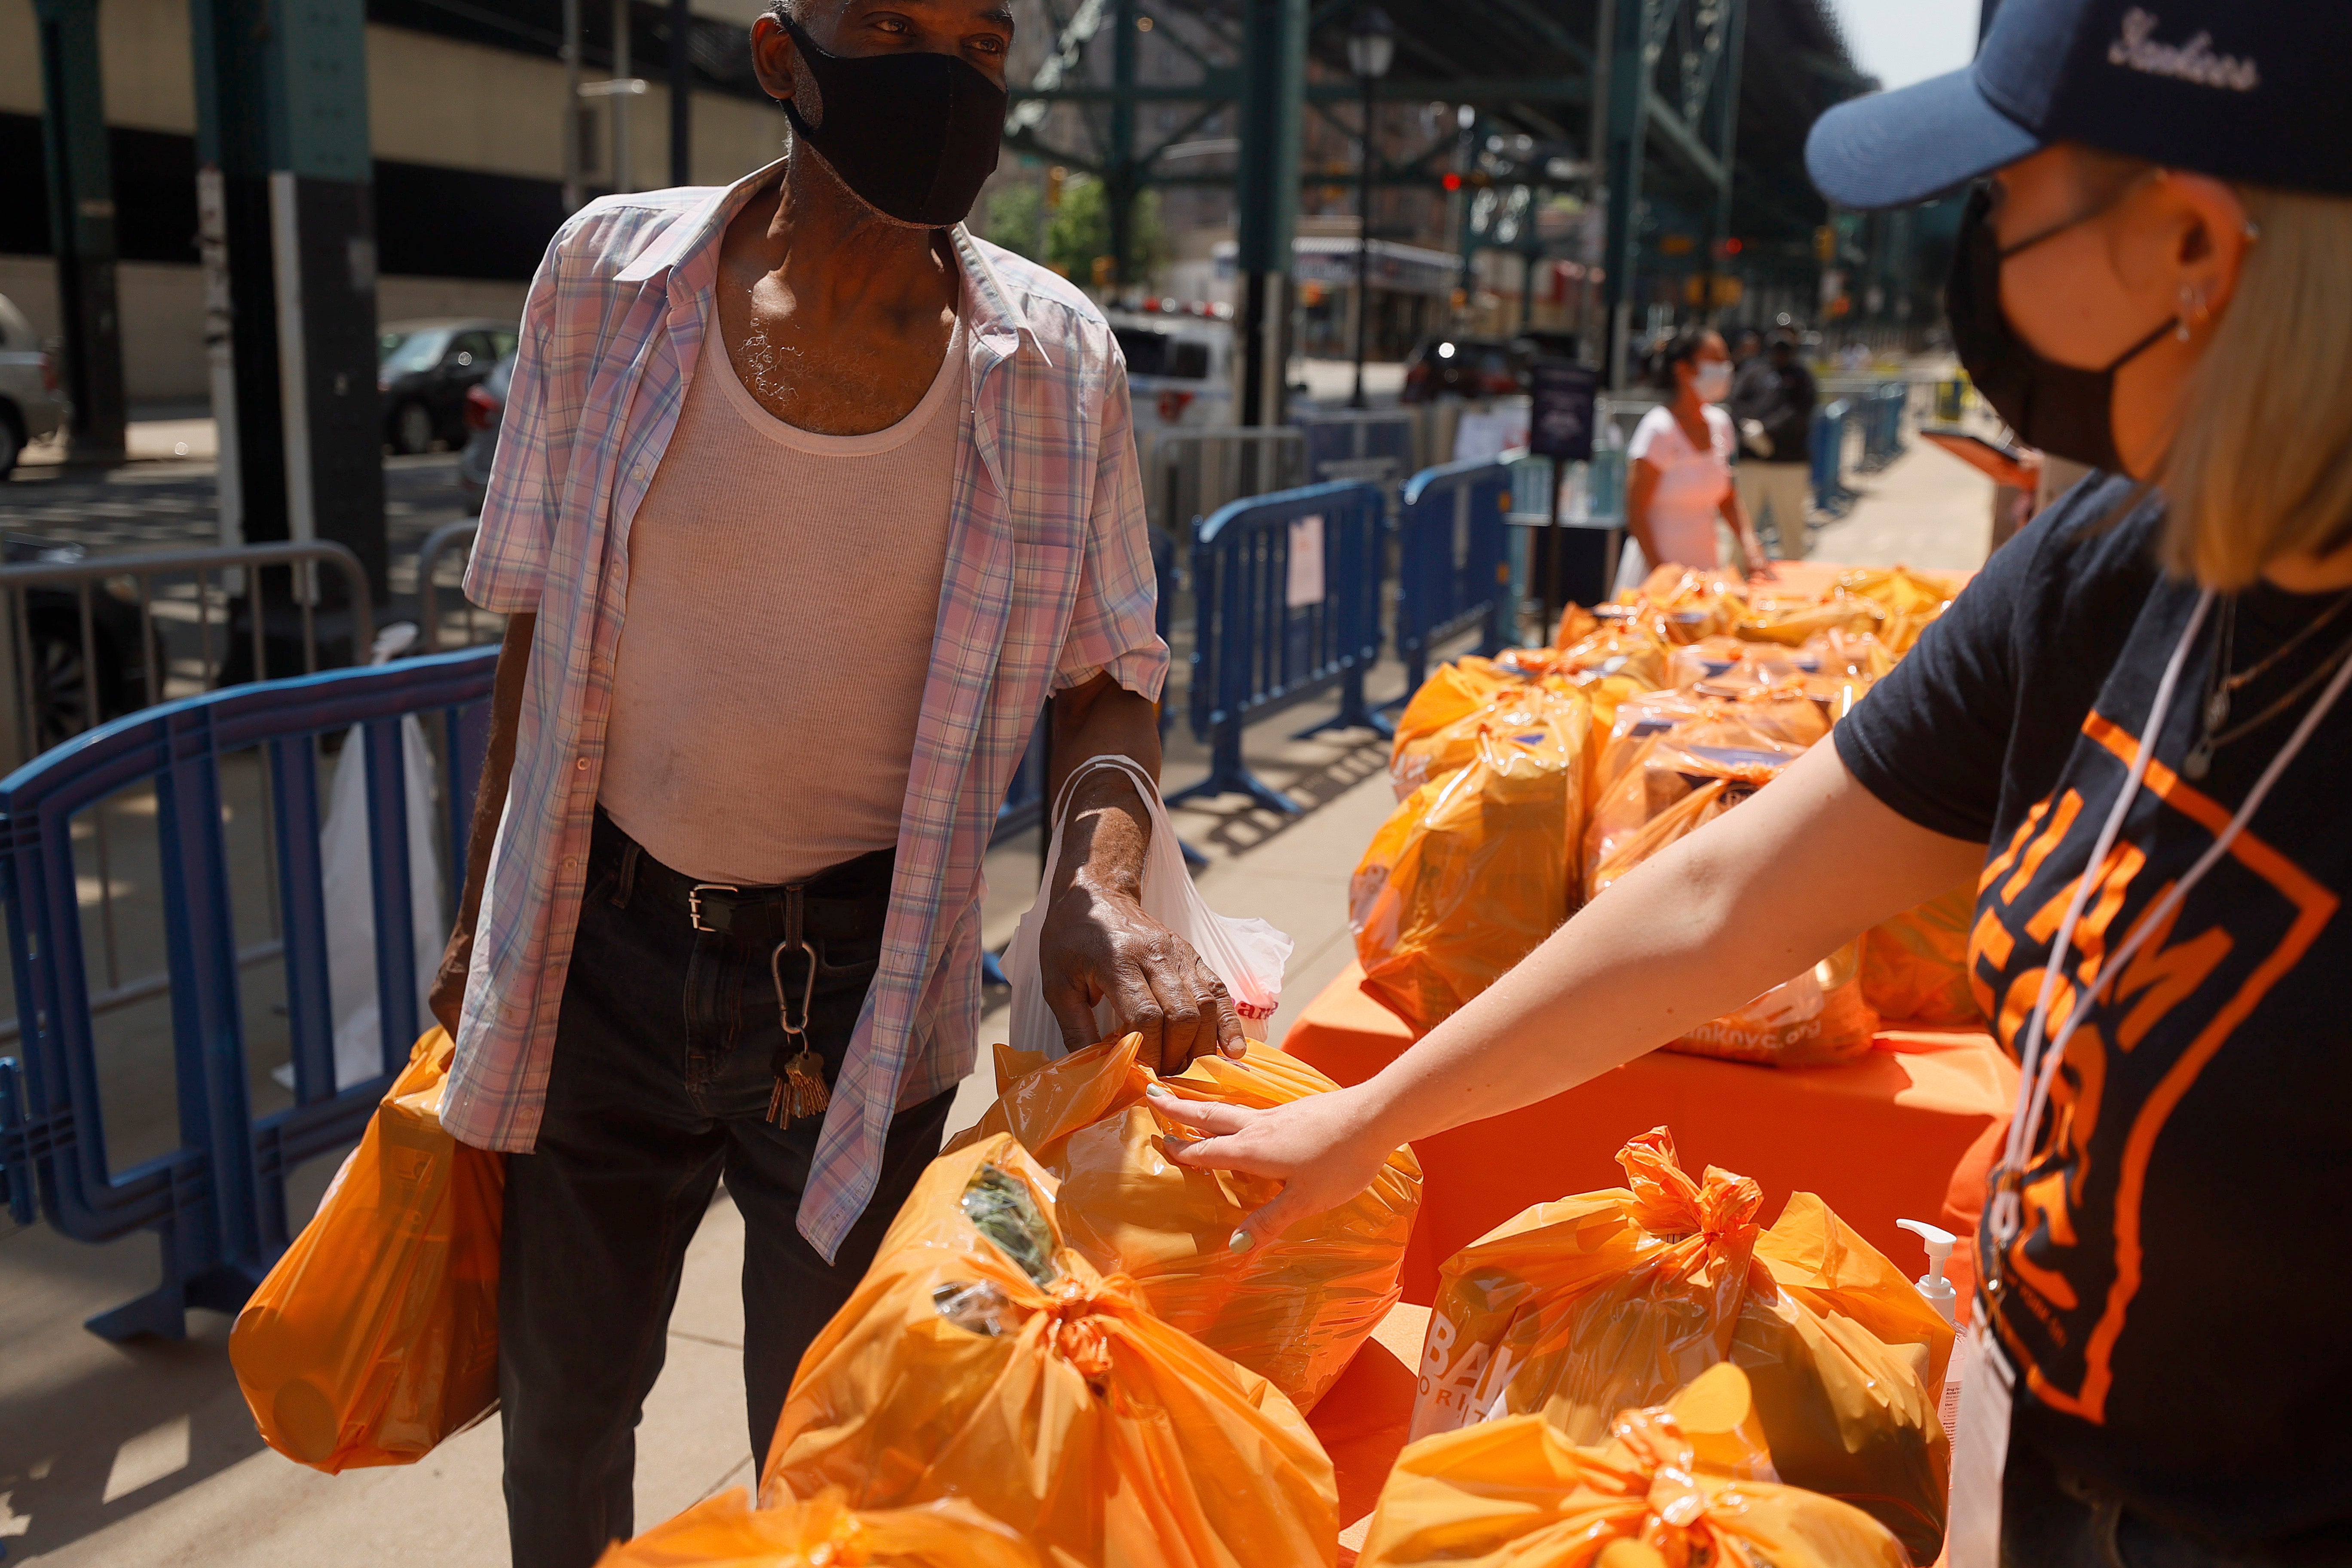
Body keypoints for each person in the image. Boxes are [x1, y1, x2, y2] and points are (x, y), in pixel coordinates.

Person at [1157, 0, 2352, 1562]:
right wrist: (1372, 1116)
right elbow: (1723, 894)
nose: (1976, 250)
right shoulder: (2110, 569)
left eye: (2002, 196)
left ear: (2188, 244)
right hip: (2037, 1456)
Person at [432, 2, 1241, 1562]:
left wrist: (1097, 880)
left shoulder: (1054, 360)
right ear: (780, 58)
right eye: (888, 23)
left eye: (984, 44)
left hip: (863, 995)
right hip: (593, 958)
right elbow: (532, 632)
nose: (945, 76)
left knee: (842, 1470)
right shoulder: (607, 282)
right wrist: (479, 929)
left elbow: (1111, 673)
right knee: (562, 1436)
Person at [1620, 327, 1774, 585]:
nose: (1726, 369)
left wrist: (1750, 546)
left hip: (1705, 572)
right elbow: (1636, 511)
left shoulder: (1721, 424)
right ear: (1683, 369)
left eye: (1726, 360)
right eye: (1715, 361)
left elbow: (1726, 496)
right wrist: (1663, 576)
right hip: (1654, 576)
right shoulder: (1659, 429)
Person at [1728, 328, 1816, 555]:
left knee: (1792, 531)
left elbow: (1798, 413)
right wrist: (1749, 429)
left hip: (1789, 464)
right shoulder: (1753, 373)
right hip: (1752, 463)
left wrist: (1766, 430)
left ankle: (1795, 584)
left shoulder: (1802, 377)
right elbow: (1736, 403)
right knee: (1741, 530)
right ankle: (1737, 579)